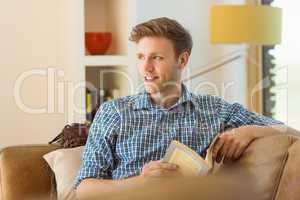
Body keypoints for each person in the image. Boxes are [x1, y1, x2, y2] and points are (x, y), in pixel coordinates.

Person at [75, 17, 298, 199]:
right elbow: (84, 189)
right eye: (141, 57)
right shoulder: (113, 112)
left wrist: (249, 130)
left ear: (182, 60)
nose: (146, 67)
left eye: (157, 57)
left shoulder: (215, 110)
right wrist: (141, 183)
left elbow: (288, 131)